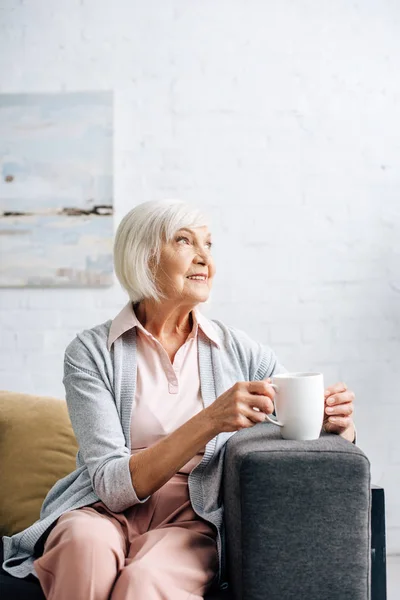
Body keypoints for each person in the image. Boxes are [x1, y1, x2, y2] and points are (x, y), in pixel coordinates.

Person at [2, 199, 355, 599]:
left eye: (208, 244)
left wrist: (338, 422)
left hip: (191, 516)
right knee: (84, 548)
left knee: (145, 582)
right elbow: (112, 489)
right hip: (100, 509)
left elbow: (292, 425)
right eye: (185, 242)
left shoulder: (243, 353)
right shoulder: (91, 352)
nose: (205, 258)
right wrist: (211, 420)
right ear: (145, 256)